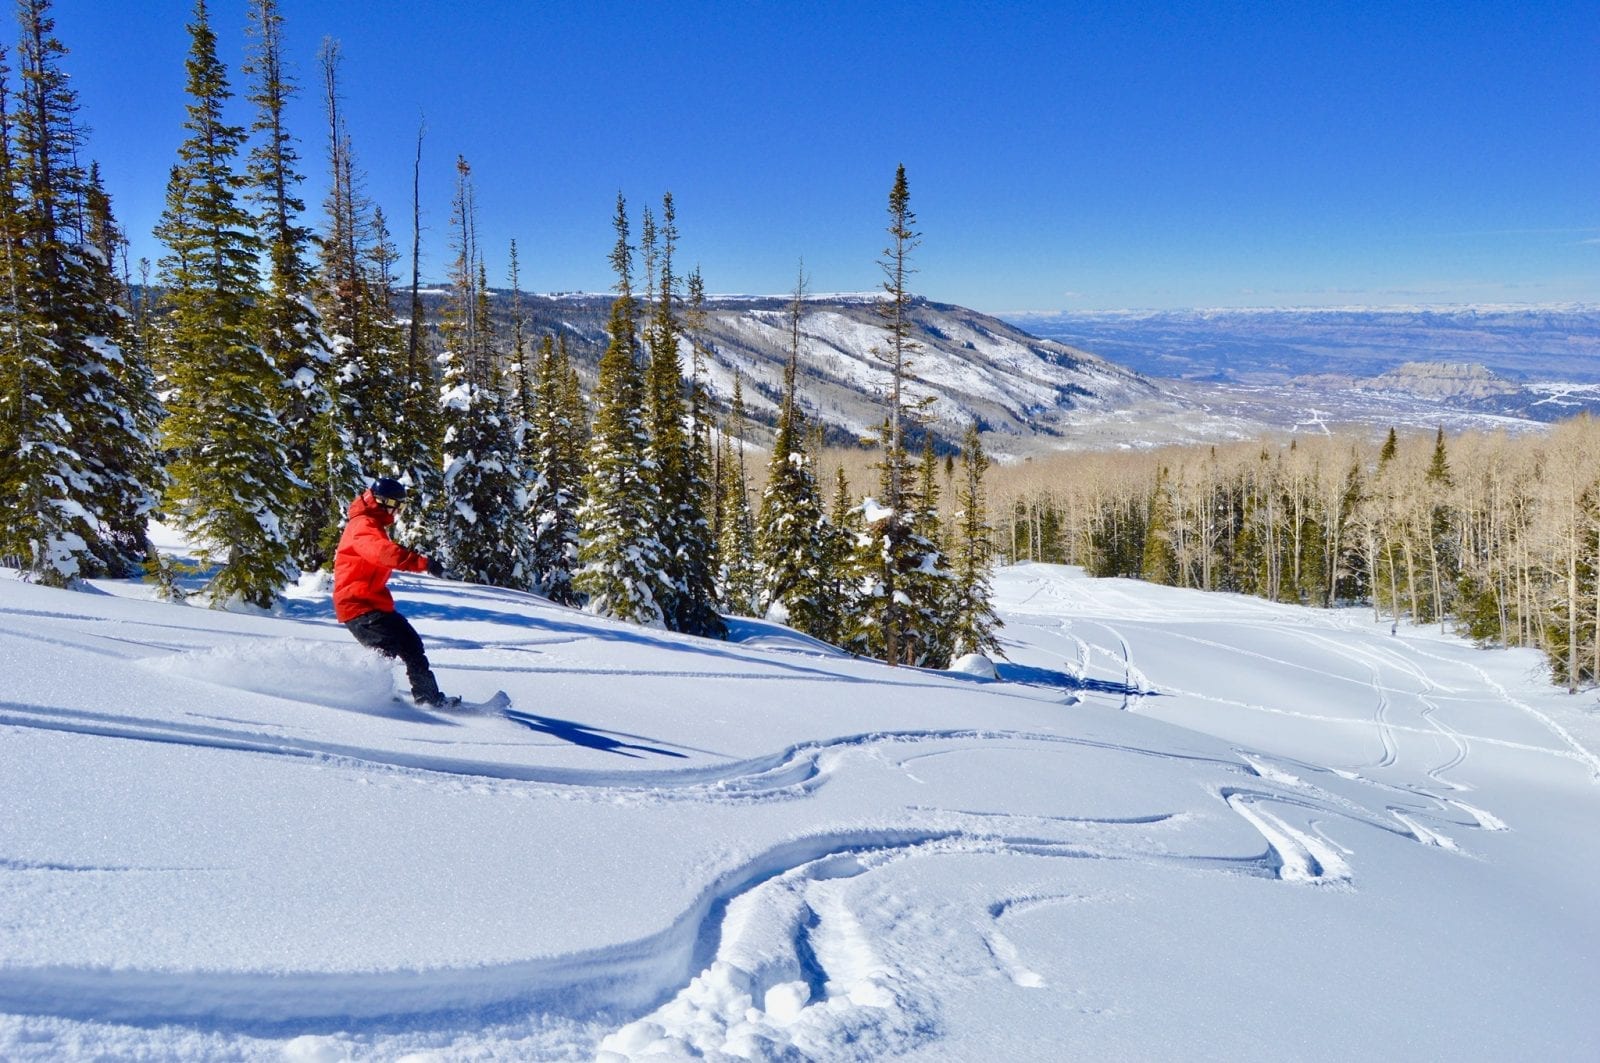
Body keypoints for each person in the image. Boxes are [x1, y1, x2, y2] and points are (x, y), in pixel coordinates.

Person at [333, 477, 459, 708]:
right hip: (358, 603)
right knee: (385, 650)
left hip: (373, 602)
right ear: (382, 502)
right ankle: (370, 698)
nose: (398, 511)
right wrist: (423, 563)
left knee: (410, 644)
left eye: (401, 506)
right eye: (396, 505)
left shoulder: (371, 523)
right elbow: (382, 553)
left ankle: (428, 699)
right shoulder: (363, 525)